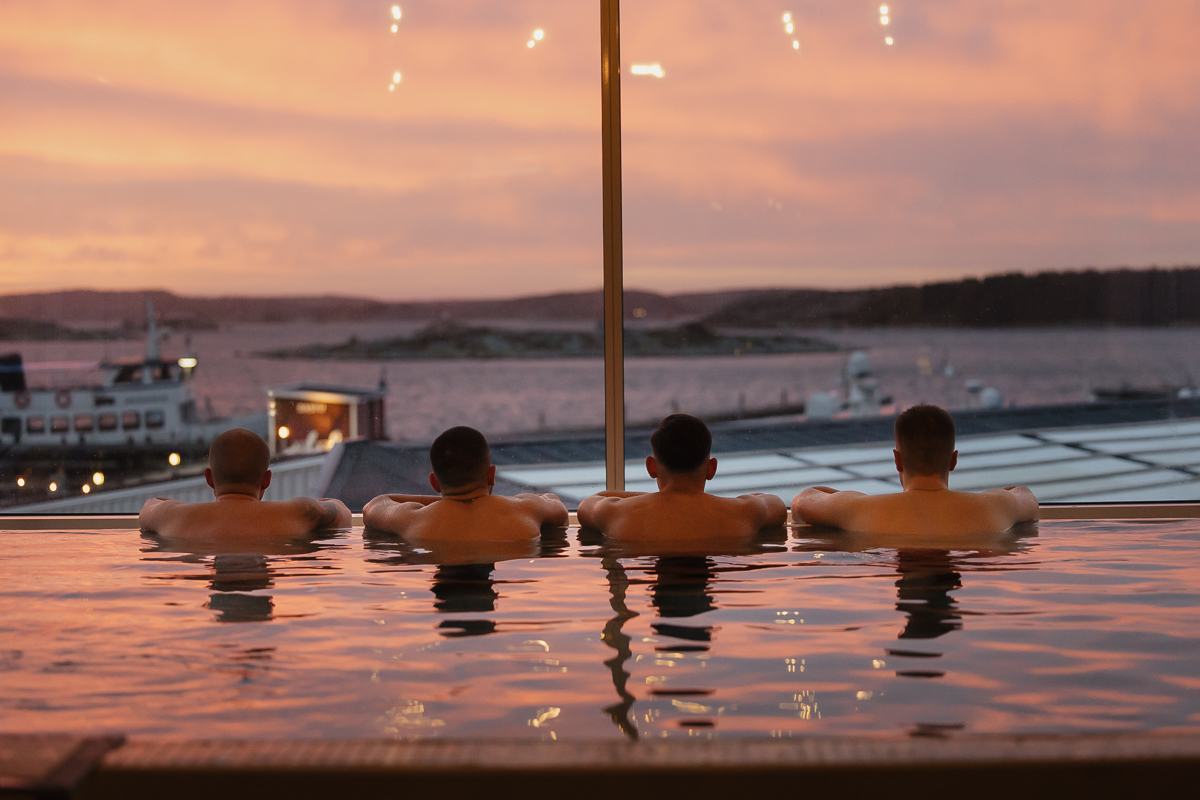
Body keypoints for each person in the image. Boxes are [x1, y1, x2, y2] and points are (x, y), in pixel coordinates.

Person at [791, 404, 1038, 535]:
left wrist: (845, 499)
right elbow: (1024, 495)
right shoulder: (996, 507)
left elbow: (803, 501)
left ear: (897, 460)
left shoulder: (859, 509)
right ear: (953, 460)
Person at [577, 414, 787, 540]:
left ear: (652, 467)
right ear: (711, 468)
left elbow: (588, 504)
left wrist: (658, 498)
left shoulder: (615, 514)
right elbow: (776, 506)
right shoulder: (745, 512)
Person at [362, 426, 568, 540]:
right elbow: (557, 506)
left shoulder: (413, 519)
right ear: (491, 475)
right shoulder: (525, 509)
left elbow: (376, 505)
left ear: (434, 482)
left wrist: (443, 500)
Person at [138, 428, 351, 537]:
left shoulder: (172, 516)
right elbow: (343, 513)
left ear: (209, 478)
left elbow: (148, 508)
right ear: (266, 480)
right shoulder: (299, 512)